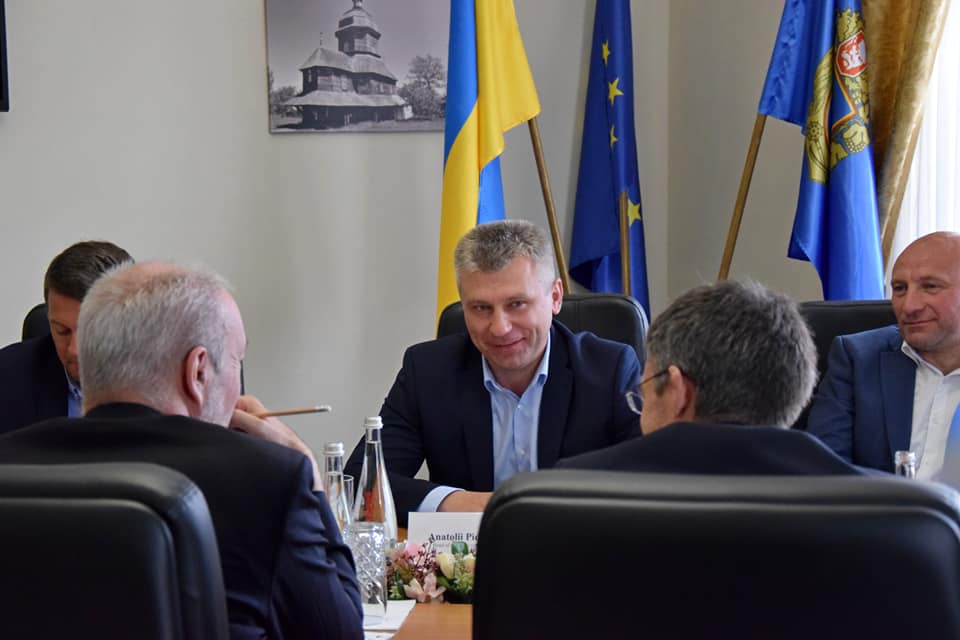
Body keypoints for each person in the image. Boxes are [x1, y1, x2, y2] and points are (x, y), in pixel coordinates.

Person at [0, 262, 362, 640]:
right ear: (198, 370)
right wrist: (310, 473)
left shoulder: (7, 465)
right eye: (236, 361)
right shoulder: (269, 481)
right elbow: (341, 633)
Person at [345, 220, 642, 524]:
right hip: (467, 552)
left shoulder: (609, 370)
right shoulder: (427, 371)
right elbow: (359, 484)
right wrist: (463, 502)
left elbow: (648, 483)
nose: (500, 328)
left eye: (517, 304)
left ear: (555, 297)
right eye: (481, 308)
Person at [558, 279, 866, 476]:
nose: (641, 411)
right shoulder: (884, 505)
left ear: (678, 392)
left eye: (644, 393)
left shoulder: (570, 493)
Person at [806, 231, 960, 478]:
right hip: (874, 503)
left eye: (930, 287)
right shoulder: (858, 358)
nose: (909, 306)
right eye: (899, 289)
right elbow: (824, 471)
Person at [0, 240, 132, 434]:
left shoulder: (168, 380)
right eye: (62, 331)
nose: (74, 350)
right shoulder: (7, 378)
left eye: (89, 330)